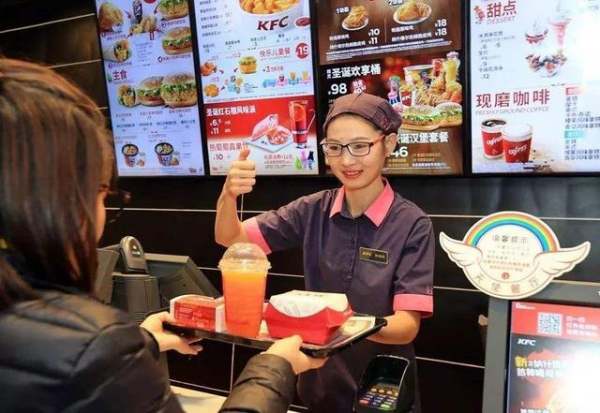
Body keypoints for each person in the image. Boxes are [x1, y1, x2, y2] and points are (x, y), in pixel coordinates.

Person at [0, 58, 324, 413]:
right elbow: (232, 240)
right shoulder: (94, 343)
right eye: (101, 192)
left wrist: (141, 342)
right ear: (56, 201)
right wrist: (275, 368)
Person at [215, 92, 435, 412]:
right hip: (320, 388)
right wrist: (228, 196)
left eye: (360, 146)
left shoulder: (412, 223)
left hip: (381, 391)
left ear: (388, 144)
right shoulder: (313, 209)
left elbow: (405, 327)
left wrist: (332, 322)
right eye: (334, 147)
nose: (346, 161)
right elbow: (231, 239)